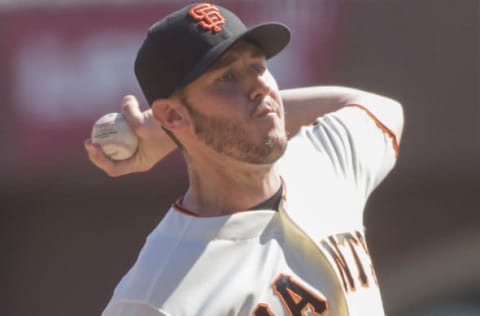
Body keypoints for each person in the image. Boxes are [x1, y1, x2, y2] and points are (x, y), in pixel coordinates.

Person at [85, 3, 404, 315]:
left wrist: (168, 133)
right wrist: (176, 130)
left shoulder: (323, 163)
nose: (261, 86)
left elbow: (377, 107)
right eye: (227, 77)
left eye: (259, 66)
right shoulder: (158, 295)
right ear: (173, 113)